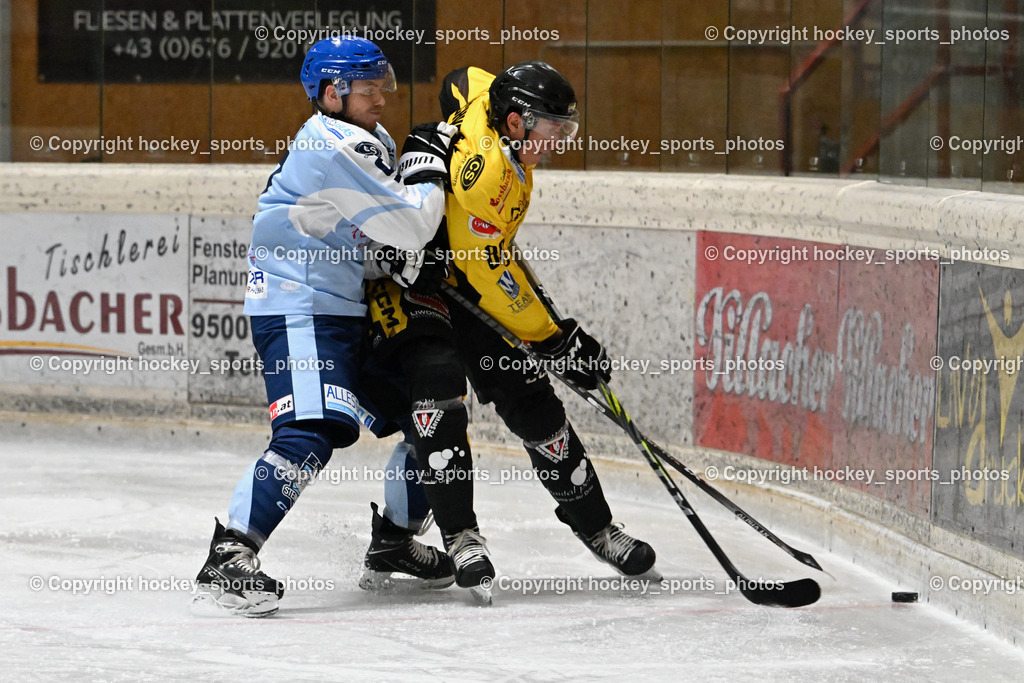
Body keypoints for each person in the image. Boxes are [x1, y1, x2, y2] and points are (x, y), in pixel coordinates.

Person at [365, 62, 657, 600]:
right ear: (517, 123)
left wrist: (558, 334)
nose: (555, 144)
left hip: (468, 281)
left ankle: (596, 525)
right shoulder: (492, 178)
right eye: (550, 130)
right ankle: (462, 538)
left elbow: (461, 77)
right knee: (438, 394)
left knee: (534, 403)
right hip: (422, 289)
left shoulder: (492, 110)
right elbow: (492, 278)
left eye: (564, 130)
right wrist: (555, 341)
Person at [192, 36, 459, 617]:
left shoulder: (362, 140)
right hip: (300, 307)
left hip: (338, 308)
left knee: (429, 413)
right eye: (369, 89)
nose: (382, 99)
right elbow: (411, 223)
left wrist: (394, 260)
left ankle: (393, 543)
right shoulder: (333, 143)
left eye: (382, 87)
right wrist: (431, 171)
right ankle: (230, 555)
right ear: (332, 93)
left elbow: (357, 237)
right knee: (310, 434)